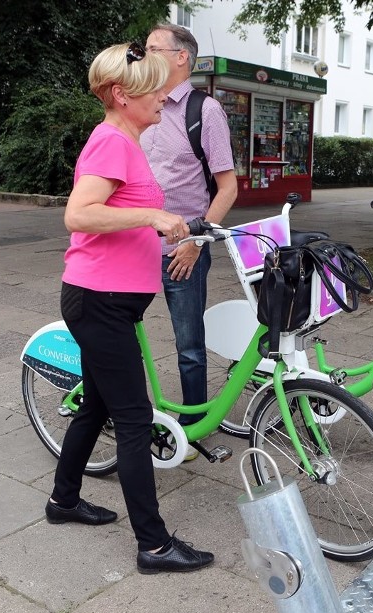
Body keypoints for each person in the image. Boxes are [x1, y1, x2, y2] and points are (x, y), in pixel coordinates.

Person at [44, 42, 214, 574]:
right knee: (135, 419)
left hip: (108, 301)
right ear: (121, 95)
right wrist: (152, 217)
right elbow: (80, 214)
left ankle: (63, 501)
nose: (164, 98)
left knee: (96, 405)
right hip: (101, 302)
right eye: (154, 90)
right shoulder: (111, 142)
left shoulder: (127, 142)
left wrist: (163, 221)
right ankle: (155, 545)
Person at [140, 23, 238, 431]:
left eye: (152, 48)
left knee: (189, 348)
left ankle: (194, 426)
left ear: (182, 57)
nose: (144, 56)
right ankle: (119, 412)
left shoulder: (205, 111)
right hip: (136, 247)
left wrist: (197, 241)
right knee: (120, 337)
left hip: (184, 250)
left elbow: (228, 188)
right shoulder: (141, 104)